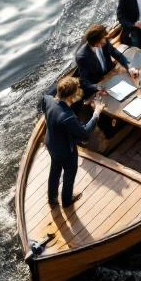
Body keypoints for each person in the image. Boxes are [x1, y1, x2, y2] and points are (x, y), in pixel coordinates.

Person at [41, 77, 104, 208]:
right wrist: (97, 112)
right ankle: (67, 201)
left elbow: (44, 105)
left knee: (54, 171)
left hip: (51, 143)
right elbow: (85, 132)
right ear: (71, 96)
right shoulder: (67, 116)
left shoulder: (49, 99)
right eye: (77, 91)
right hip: (65, 151)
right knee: (69, 174)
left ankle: (52, 200)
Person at [75, 23, 139, 94]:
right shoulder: (82, 57)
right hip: (100, 83)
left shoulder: (104, 41)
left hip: (111, 74)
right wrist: (97, 87)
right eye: (103, 39)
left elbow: (115, 53)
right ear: (96, 43)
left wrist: (129, 67)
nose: (105, 40)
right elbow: (85, 81)